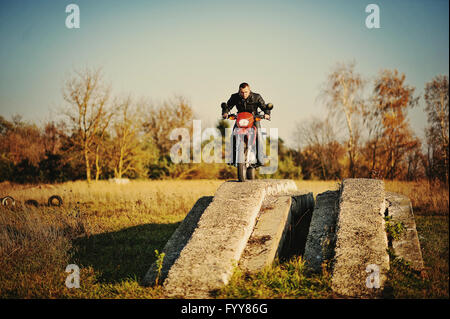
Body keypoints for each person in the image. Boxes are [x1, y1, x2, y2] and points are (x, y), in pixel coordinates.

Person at [221, 82, 271, 166]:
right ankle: (232, 159)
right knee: (233, 136)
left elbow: (264, 107)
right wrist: (225, 112)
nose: (244, 94)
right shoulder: (235, 97)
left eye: (246, 92)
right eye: (242, 92)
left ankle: (260, 159)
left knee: (259, 136)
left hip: (254, 119)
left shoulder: (256, 97)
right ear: (239, 91)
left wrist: (267, 114)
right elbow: (228, 106)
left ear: (249, 90)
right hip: (240, 119)